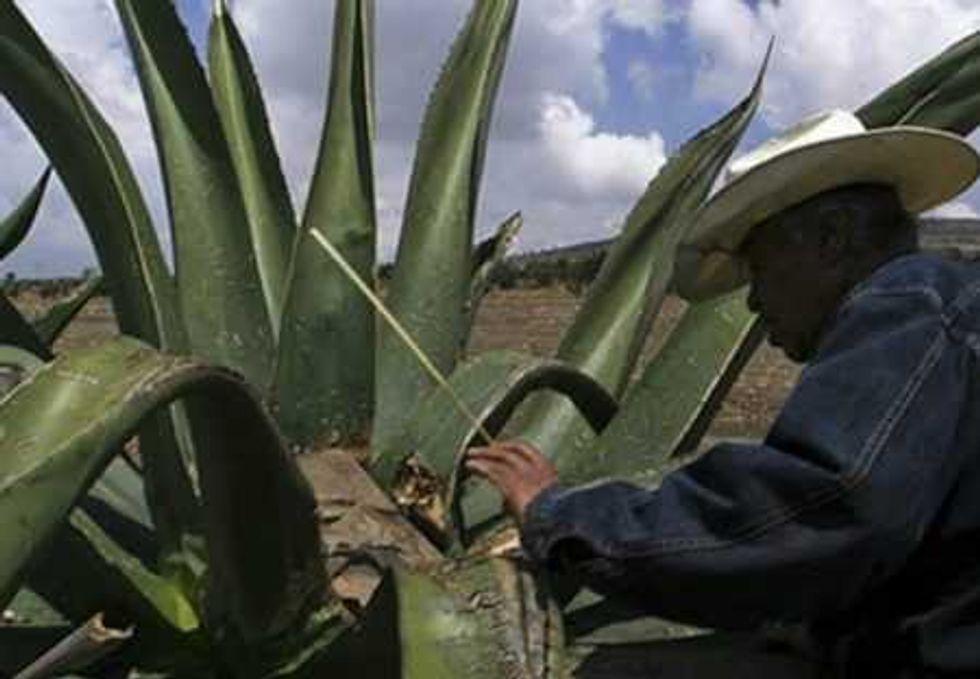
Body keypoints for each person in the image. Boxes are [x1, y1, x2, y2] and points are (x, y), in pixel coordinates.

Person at [466, 110, 980, 677]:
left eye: (759, 268)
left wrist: (558, 516)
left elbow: (819, 506)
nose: (755, 303)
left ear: (831, 238)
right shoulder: (946, 307)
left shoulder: (908, 308)